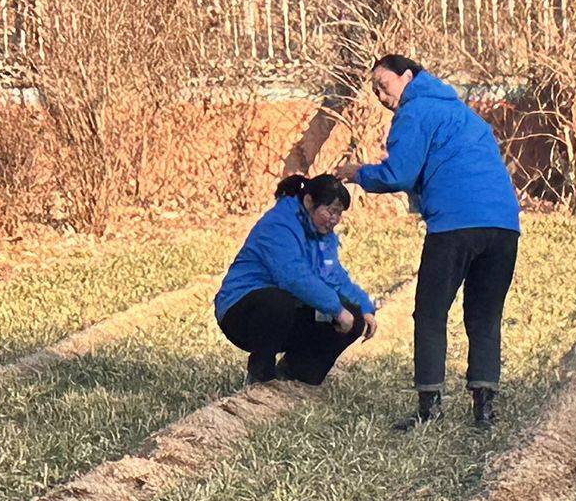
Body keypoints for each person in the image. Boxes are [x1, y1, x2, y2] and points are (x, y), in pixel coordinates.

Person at [354, 53, 522, 434]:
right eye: (375, 89)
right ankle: (484, 411)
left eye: (384, 84)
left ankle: (429, 408)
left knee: (430, 313)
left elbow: (398, 173)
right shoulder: (462, 113)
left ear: (408, 76)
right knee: (484, 315)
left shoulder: (416, 112)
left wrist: (358, 174)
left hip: (455, 225)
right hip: (504, 225)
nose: (380, 94)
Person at [213, 175, 375, 387]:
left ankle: (297, 375)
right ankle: (261, 374)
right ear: (309, 202)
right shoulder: (279, 225)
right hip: (241, 311)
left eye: (339, 213)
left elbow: (333, 276)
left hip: (286, 311)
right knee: (280, 302)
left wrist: (364, 307)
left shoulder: (323, 234)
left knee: (353, 318)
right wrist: (335, 308)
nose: (334, 219)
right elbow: (293, 277)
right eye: (329, 210)